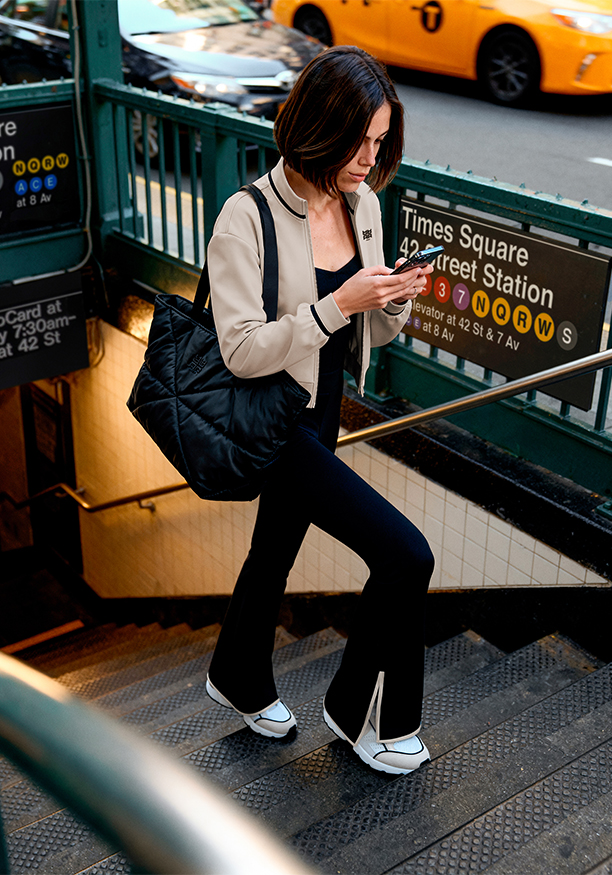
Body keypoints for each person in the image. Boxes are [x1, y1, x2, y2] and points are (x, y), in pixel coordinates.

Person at [205, 45, 435, 776]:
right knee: (405, 554)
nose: (369, 158)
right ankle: (366, 711)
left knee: (272, 550)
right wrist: (339, 303)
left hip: (324, 408)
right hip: (275, 422)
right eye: (357, 140)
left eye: (378, 141)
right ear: (317, 126)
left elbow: (367, 325)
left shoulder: (360, 202)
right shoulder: (245, 218)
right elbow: (241, 351)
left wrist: (392, 298)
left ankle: (236, 676)